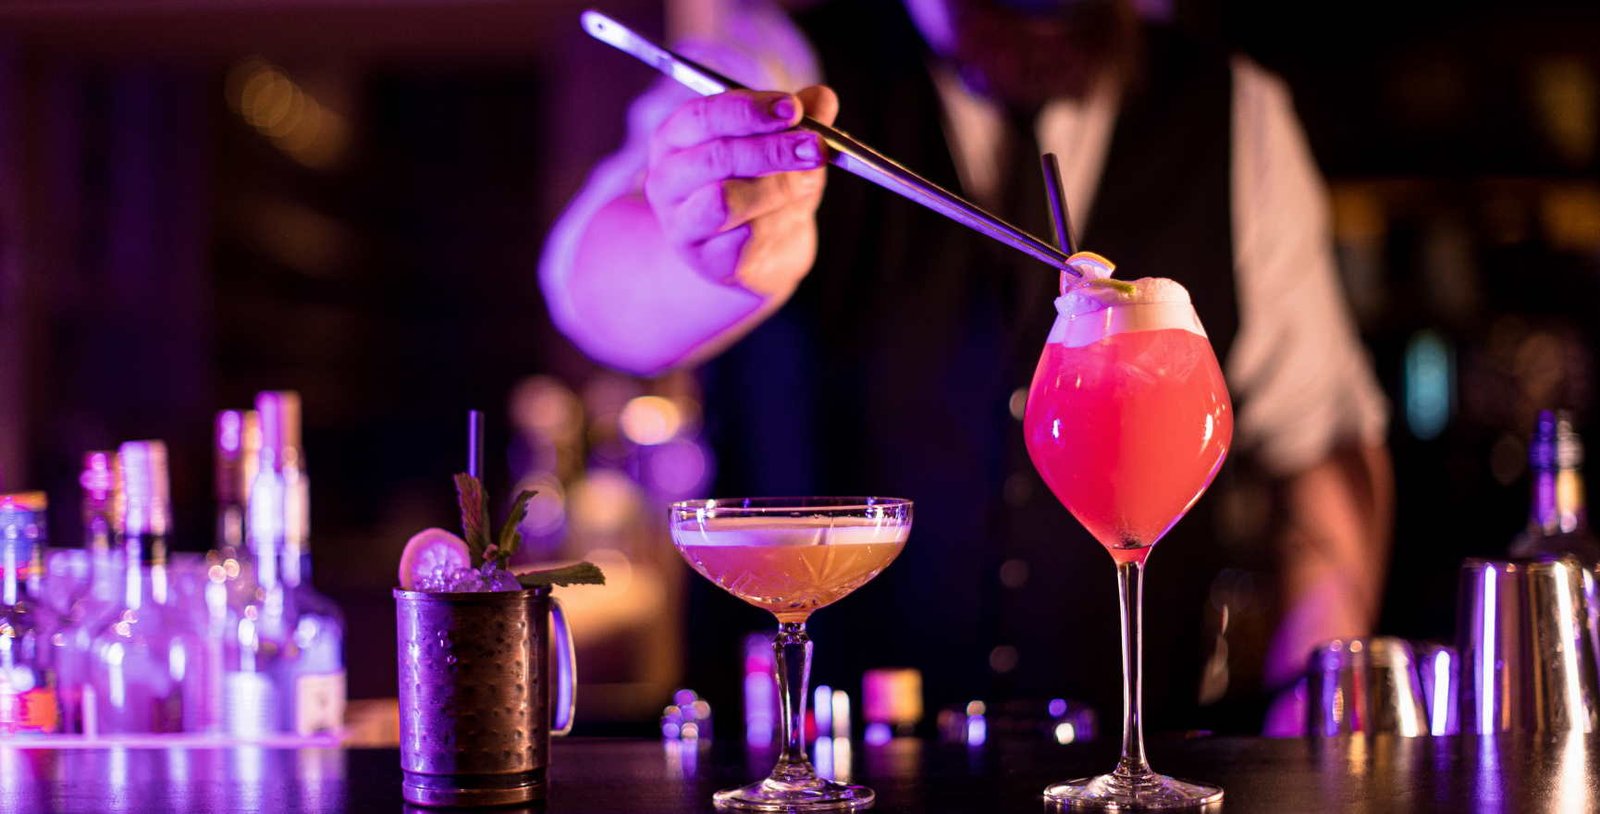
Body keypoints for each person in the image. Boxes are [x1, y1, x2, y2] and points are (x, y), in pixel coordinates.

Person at [541, 0, 1392, 732]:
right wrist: (707, 257)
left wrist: (1312, 711)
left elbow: (1321, 449)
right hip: (823, 761)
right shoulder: (782, 58)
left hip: (1133, 765)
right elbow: (590, 291)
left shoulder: (1233, 110)